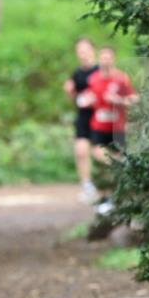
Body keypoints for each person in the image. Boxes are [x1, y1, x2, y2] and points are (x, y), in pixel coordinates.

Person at [85, 46, 138, 214]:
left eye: (108, 57)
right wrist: (88, 100)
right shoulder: (93, 79)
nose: (105, 60)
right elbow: (90, 97)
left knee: (115, 163)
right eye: (103, 57)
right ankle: (107, 198)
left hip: (118, 127)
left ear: (113, 59)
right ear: (99, 59)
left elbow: (134, 99)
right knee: (101, 158)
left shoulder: (121, 78)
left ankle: (115, 199)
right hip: (99, 125)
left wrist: (118, 100)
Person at [63, 37, 99, 203]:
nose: (82, 54)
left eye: (85, 50)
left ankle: (113, 184)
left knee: (100, 153)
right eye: (79, 51)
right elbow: (76, 99)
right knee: (81, 151)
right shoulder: (77, 73)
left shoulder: (101, 71)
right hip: (83, 117)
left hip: (101, 117)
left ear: (93, 50)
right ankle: (87, 186)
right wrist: (71, 93)